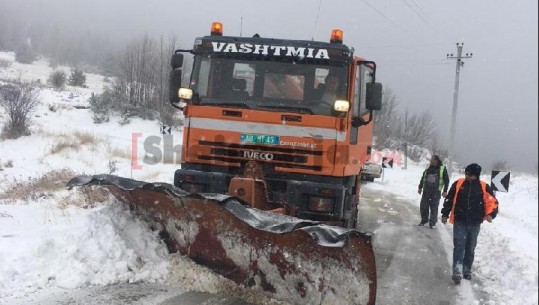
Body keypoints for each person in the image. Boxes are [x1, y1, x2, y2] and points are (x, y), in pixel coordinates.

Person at [441, 163, 499, 284]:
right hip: (460, 220)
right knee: (459, 246)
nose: (466, 176)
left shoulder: (484, 187)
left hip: (475, 222)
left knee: (470, 247)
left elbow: (493, 203)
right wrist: (445, 214)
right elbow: (449, 200)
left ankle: (466, 269)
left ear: (475, 175)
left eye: (468, 174)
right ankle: (457, 270)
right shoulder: (458, 184)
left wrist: (490, 214)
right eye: (466, 173)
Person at [417, 155, 450, 228]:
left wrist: (445, 190)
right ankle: (424, 220)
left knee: (434, 208)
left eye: (432, 160)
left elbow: (446, 180)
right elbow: (423, 178)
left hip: (436, 191)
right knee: (423, 206)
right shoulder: (428, 167)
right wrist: (420, 187)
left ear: (436, 161)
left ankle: (432, 223)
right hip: (426, 191)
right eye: (431, 160)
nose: (431, 161)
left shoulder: (442, 168)